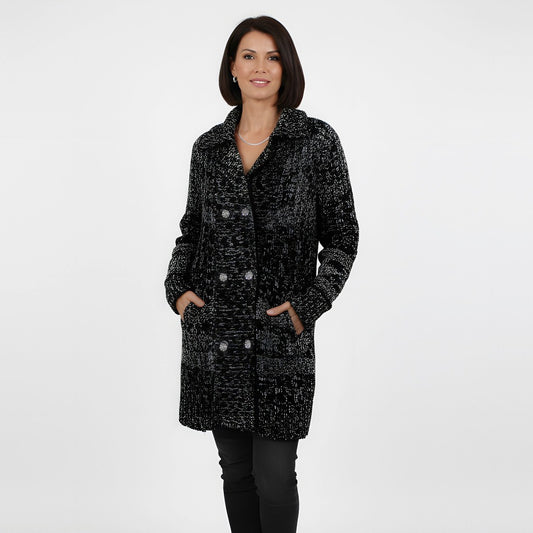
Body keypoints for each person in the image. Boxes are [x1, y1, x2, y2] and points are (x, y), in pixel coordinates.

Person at [164, 15, 359, 533]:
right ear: (232, 67)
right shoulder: (208, 148)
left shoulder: (315, 141)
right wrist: (178, 290)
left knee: (275, 476)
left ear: (286, 68)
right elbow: (191, 231)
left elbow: (343, 238)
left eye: (273, 57)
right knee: (236, 473)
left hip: (277, 336)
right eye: (249, 56)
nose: (261, 67)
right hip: (217, 333)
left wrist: (307, 307)